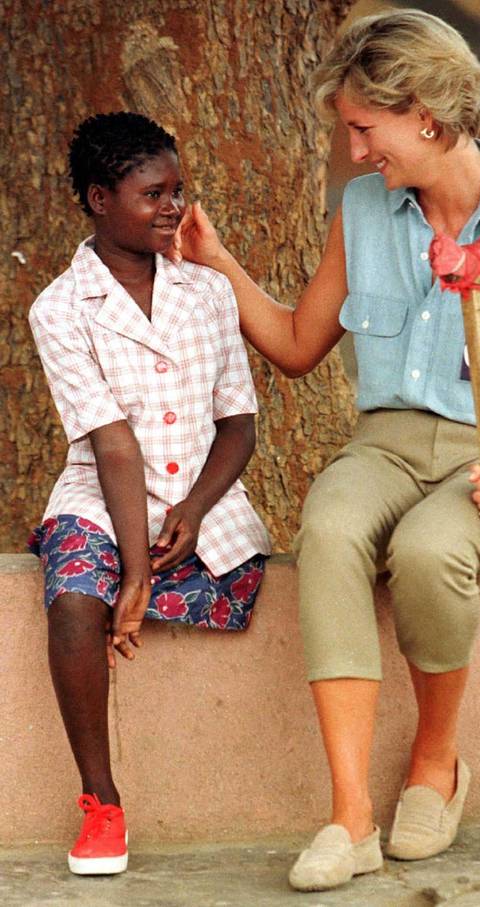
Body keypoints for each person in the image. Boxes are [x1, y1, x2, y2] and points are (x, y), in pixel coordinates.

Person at [172, 9, 480, 893]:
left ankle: (435, 767)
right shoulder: (363, 211)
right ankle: (349, 817)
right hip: (387, 444)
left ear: (427, 116)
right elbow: (295, 344)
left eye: (366, 129)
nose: (357, 151)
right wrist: (216, 262)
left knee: (433, 549)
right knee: (329, 525)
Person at [28, 111, 270, 875]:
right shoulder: (60, 310)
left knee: (225, 578)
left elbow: (239, 424)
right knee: (74, 597)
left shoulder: (208, 293)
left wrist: (194, 512)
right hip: (103, 494)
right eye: (152, 193)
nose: (174, 207)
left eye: (178, 189)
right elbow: (113, 445)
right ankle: (101, 803)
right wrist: (132, 573)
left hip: (203, 498)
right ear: (100, 198)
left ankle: (145, 571)